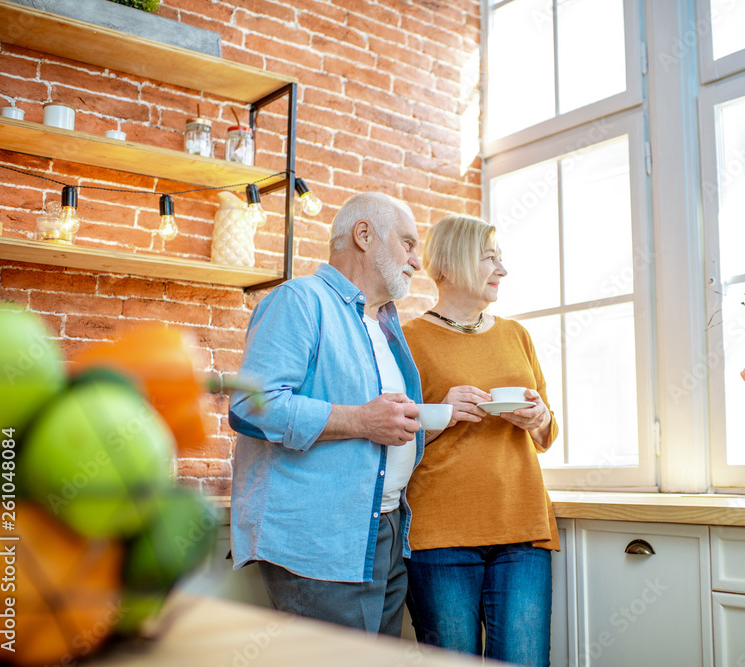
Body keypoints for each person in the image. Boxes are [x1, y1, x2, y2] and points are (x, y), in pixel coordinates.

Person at [228, 191, 424, 636]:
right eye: (408, 244)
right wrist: (360, 420)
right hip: (321, 541)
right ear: (364, 235)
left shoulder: (384, 322)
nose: (417, 262)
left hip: (387, 530)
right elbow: (249, 407)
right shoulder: (299, 300)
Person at [401, 214, 559, 666]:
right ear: (448, 264)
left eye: (501, 259)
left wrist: (540, 418)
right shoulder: (408, 340)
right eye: (489, 259)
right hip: (440, 536)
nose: (502, 270)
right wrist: (441, 414)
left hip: (522, 528)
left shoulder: (516, 335)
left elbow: (548, 434)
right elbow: (390, 439)